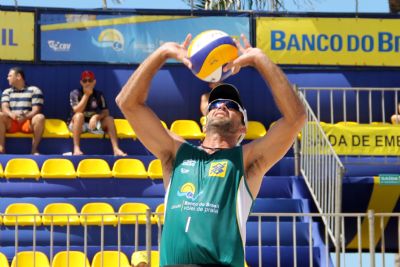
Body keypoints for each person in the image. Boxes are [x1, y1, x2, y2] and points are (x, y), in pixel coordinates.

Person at [116, 34, 306, 266]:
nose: (222, 105)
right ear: (204, 120)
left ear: (243, 127)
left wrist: (259, 59)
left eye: (232, 105)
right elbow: (127, 103)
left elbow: (296, 118)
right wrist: (162, 53)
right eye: (215, 103)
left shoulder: (246, 161)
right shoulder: (176, 152)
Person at [69, 70, 126, 156]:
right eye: (85, 81)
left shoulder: (99, 95)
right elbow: (77, 110)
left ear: (94, 82)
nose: (87, 83)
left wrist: (96, 117)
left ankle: (116, 149)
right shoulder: (75, 93)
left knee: (109, 119)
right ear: (81, 82)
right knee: (79, 116)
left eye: (90, 80)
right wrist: (86, 95)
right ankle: (76, 148)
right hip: (78, 126)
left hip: (93, 125)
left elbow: (106, 112)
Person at [0, 67, 45, 154]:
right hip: (12, 122)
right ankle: (1, 148)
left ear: (18, 76)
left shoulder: (34, 90)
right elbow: (4, 107)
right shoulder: (7, 92)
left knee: (40, 117)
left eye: (10, 76)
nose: (7, 78)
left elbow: (37, 109)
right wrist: (11, 114)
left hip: (27, 122)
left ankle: (34, 150)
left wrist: (25, 117)